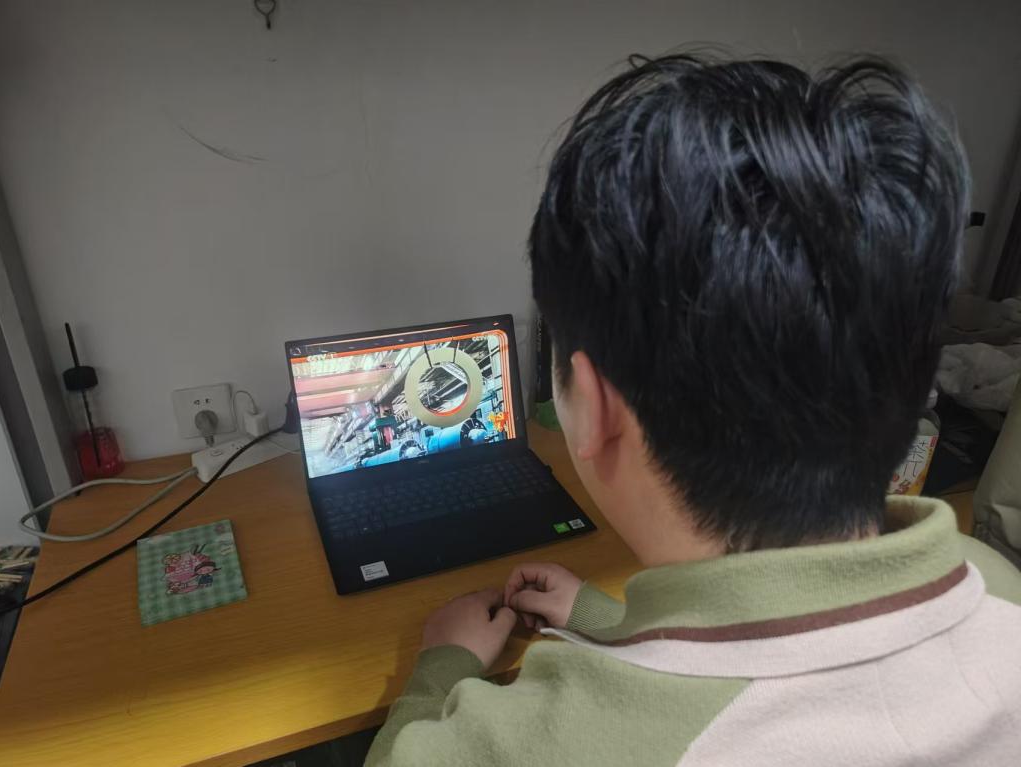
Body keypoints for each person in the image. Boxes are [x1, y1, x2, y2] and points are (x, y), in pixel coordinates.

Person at [364, 53, 1021, 766]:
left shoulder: (528, 744)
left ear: (593, 408)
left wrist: (443, 663)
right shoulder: (995, 587)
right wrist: (605, 619)